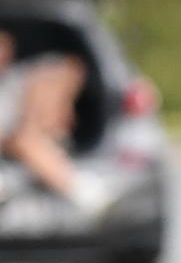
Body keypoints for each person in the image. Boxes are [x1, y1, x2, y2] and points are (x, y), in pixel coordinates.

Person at [0, 30, 113, 215]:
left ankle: (85, 193)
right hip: (20, 144)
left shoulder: (19, 76)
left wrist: (35, 113)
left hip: (39, 138)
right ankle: (83, 191)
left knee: (28, 139)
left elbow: (72, 68)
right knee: (26, 141)